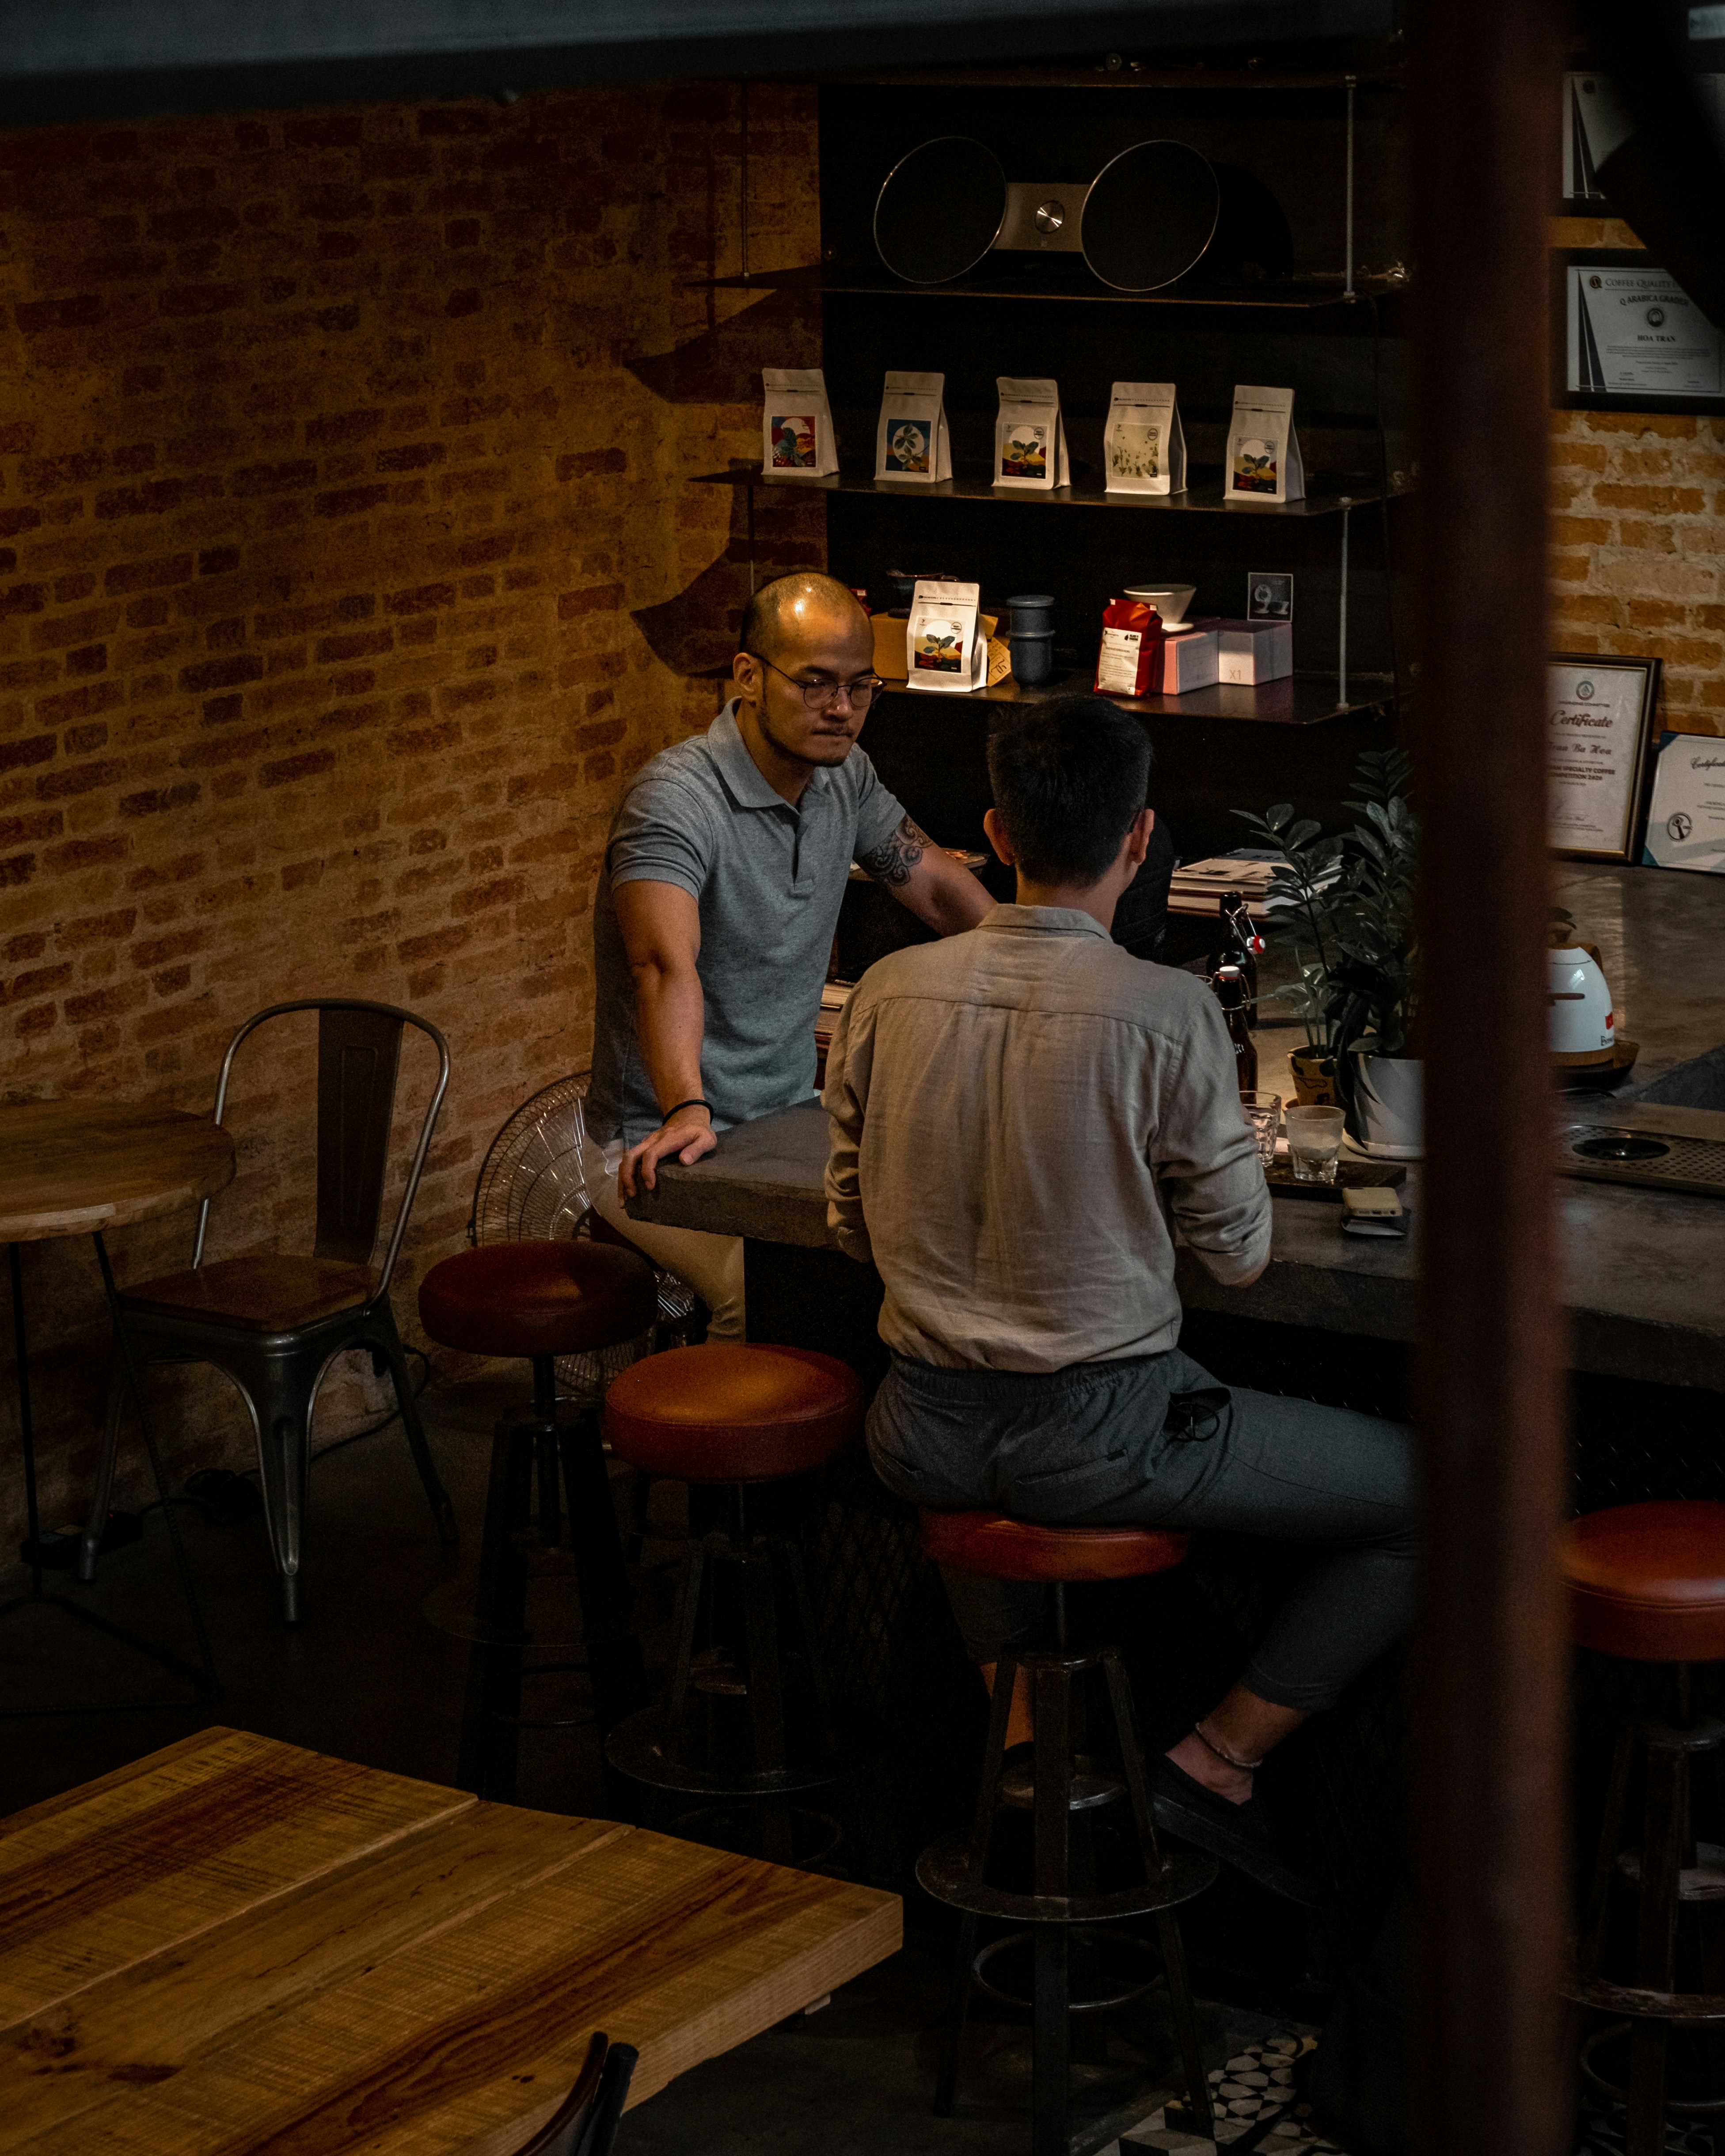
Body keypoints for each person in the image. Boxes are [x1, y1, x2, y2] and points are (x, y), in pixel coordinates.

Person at [822, 692, 1416, 1902]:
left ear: (993, 831)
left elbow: (848, 1223)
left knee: (975, 1476)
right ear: (1143, 841)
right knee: (1443, 1497)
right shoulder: (1168, 1010)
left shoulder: (887, 991)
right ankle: (1214, 1764)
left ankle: (1045, 1764)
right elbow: (1240, 1255)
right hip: (1095, 1441)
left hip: (918, 1431)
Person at [585, 572, 991, 1337]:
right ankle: (706, 1455)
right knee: (765, 1298)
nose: (840, 710)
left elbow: (939, 889)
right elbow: (661, 966)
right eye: (814, 683)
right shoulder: (674, 801)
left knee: (896, 1266)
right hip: (656, 1142)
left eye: (859, 687)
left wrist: (1054, 966)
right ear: (747, 676)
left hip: (786, 1124)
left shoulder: (845, 779)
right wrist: (686, 1106)